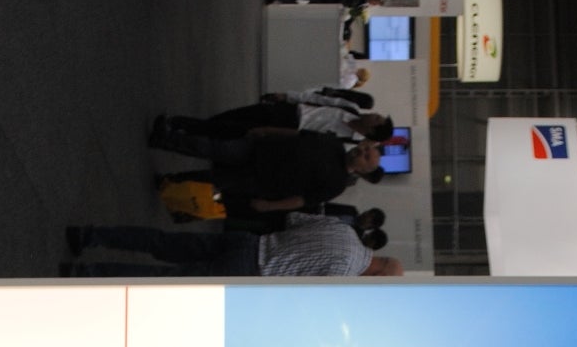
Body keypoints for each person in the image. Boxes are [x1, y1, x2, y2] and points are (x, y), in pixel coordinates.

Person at [148, 116, 382, 213]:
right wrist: (267, 130)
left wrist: (271, 206)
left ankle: (170, 183)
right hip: (261, 150)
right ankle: (166, 139)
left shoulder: (337, 185)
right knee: (213, 148)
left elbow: (302, 200)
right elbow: (299, 134)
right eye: (365, 149)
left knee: (213, 179)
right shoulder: (335, 144)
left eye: (366, 156)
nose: (361, 151)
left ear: (362, 170)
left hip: (261, 181)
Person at [61, 214, 404, 278]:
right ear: (377, 278)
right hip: (248, 271)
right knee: (162, 278)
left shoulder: (344, 230)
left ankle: (89, 234)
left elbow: (294, 220)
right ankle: (85, 273)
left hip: (249, 242)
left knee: (164, 242)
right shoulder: (343, 274)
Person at [167, 100, 394, 145]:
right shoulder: (350, 108)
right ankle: (189, 128)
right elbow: (319, 99)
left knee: (232, 130)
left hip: (286, 130)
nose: (373, 114)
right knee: (233, 116)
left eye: (377, 118)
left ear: (372, 129)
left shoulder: (346, 142)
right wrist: (287, 96)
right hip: (288, 111)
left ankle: (180, 126)